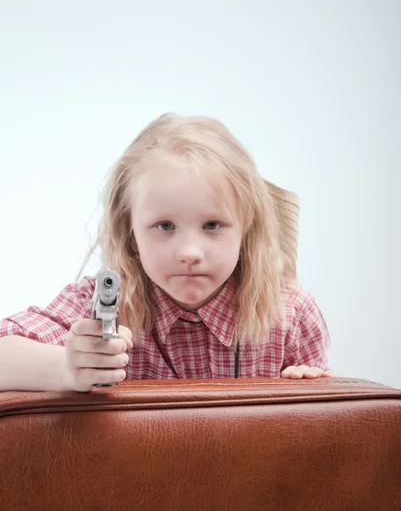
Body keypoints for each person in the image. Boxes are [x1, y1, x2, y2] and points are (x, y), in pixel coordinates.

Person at [0, 113, 333, 392]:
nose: (189, 252)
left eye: (213, 225)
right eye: (164, 226)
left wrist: (309, 392)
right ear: (131, 235)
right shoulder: (99, 305)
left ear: (246, 229)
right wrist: (66, 368)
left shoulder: (291, 314)